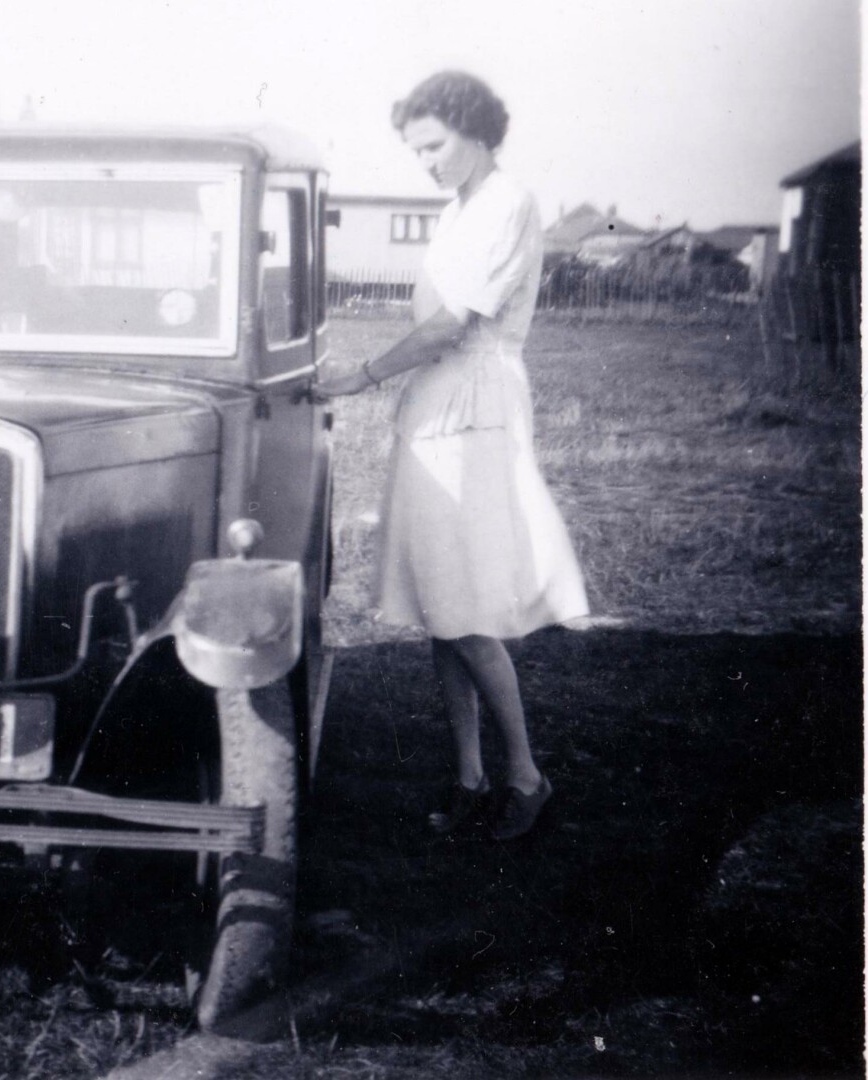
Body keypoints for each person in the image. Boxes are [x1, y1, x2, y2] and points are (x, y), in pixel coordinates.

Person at [324, 71, 589, 841]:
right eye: (415, 151)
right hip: (436, 409)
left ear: (475, 127)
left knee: (466, 611)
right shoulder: (458, 209)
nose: (426, 162)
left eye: (434, 145)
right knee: (442, 610)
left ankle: (525, 777)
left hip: (473, 409)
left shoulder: (508, 203)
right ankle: (471, 776)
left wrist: (362, 374)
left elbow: (449, 326)